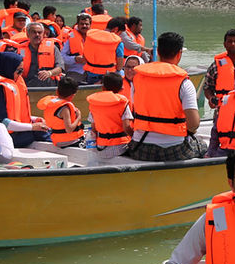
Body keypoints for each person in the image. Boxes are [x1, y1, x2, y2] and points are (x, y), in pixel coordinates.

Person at [126, 31, 202, 162]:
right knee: (202, 145)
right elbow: (194, 124)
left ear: (158, 53)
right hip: (174, 148)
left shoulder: (137, 79)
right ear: (179, 54)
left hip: (140, 146)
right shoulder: (184, 83)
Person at [0, 51, 49, 148]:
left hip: (8, 134)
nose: (20, 75)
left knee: (43, 130)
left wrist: (34, 119)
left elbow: (13, 115)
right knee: (38, 133)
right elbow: (3, 122)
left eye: (22, 71)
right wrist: (32, 127)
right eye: (19, 71)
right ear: (8, 68)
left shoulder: (5, 84)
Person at [86, 72, 133, 159]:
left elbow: (93, 128)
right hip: (120, 147)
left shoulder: (94, 103)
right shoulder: (122, 103)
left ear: (103, 87)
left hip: (101, 147)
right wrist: (135, 138)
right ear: (121, 88)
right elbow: (126, 128)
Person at [37, 77, 83, 148]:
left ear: (57, 91)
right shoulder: (65, 109)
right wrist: (79, 117)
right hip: (70, 141)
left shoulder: (50, 103)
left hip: (57, 141)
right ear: (72, 95)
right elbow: (69, 129)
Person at [82, 15, 125, 82]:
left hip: (91, 74)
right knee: (122, 73)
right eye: (120, 33)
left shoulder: (91, 37)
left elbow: (84, 58)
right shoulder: (118, 42)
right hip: (109, 76)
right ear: (116, 29)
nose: (119, 35)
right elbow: (119, 66)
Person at [61, 11, 92, 81]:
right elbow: (62, 57)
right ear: (77, 25)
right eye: (82, 24)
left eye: (86, 24)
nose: (84, 26)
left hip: (94, 71)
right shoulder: (71, 38)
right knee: (68, 84)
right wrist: (75, 59)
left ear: (90, 25)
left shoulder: (95, 38)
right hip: (76, 71)